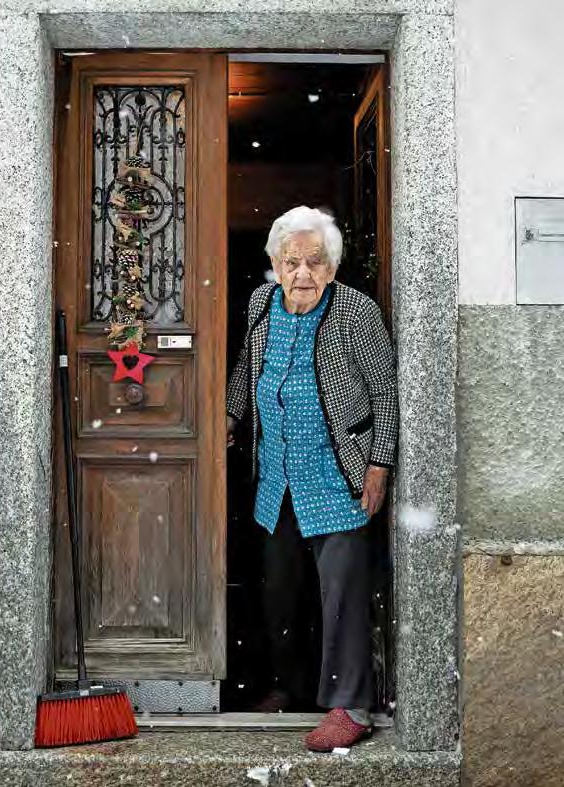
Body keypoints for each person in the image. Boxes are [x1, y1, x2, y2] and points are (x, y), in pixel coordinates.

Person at [226, 206, 399, 751]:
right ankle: (292, 686)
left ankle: (351, 705)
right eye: (291, 261)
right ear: (275, 264)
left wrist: (379, 464)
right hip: (278, 477)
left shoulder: (355, 312)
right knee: (281, 591)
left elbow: (385, 392)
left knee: (341, 593)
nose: (302, 273)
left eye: (315, 262)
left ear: (333, 267)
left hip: (336, 474)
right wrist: (230, 415)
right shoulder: (261, 304)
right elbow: (246, 367)